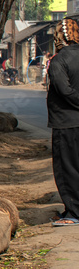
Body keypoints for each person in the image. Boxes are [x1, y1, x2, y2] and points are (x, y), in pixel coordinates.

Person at [47, 18, 79, 226]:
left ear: (59, 37)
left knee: (67, 168)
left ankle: (73, 213)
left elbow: (65, 90)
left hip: (66, 123)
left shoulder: (59, 61)